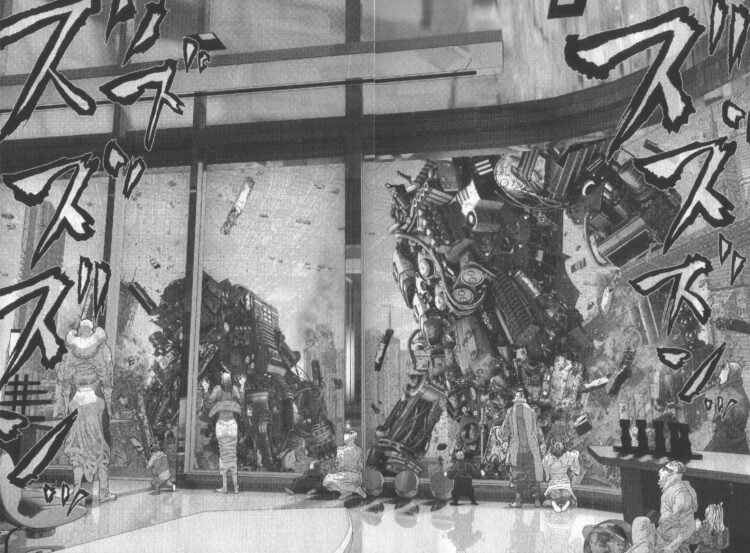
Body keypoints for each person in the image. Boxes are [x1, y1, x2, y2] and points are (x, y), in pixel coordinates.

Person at [55, 319, 116, 503]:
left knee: (77, 449)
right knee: (100, 447)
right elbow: (107, 381)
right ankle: (103, 492)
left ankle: (76, 492)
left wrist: (64, 407)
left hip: (76, 404)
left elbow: (63, 381)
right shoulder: (102, 350)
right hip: (95, 405)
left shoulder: (69, 353)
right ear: (91, 331)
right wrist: (110, 407)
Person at [498, 387, 546, 508]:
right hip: (529, 448)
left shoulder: (512, 411)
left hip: (520, 449)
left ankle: (521, 500)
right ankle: (535, 500)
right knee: (530, 474)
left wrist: (503, 438)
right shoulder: (530, 411)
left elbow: (504, 430)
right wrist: (542, 442)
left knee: (519, 475)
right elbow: (537, 429)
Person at [202, 372, 246, 494]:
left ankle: (225, 487)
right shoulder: (235, 389)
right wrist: (242, 384)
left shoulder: (217, 389)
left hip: (221, 424)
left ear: (221, 381)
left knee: (223, 455)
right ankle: (236, 487)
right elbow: (241, 402)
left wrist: (205, 388)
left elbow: (208, 404)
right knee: (232, 455)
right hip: (232, 424)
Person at [704, 362, 750, 454]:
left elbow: (722, 430)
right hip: (740, 445)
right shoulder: (740, 390)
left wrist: (709, 451)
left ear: (731, 374)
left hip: (726, 447)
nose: (719, 375)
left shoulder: (726, 395)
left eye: (723, 372)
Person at [655, 460, 698, 553]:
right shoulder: (671, 490)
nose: (660, 478)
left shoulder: (681, 493)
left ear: (671, 475)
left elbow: (688, 526)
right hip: (664, 540)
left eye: (665, 470)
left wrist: (671, 547)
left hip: (674, 546)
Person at [322, 427, 366, 500]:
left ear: (353, 438)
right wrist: (338, 469)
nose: (347, 441)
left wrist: (357, 470)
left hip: (353, 475)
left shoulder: (358, 450)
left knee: (343, 480)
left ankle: (354, 490)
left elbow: (360, 466)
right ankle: (348, 491)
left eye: (349, 439)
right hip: (342, 473)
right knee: (327, 481)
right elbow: (337, 464)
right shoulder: (340, 449)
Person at [542, 438, 580, 512]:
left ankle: (554, 503)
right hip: (565, 484)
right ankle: (567, 502)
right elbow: (576, 454)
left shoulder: (548, 458)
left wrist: (548, 476)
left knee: (547, 502)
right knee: (571, 500)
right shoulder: (567, 455)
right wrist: (575, 471)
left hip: (553, 485)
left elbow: (545, 467)